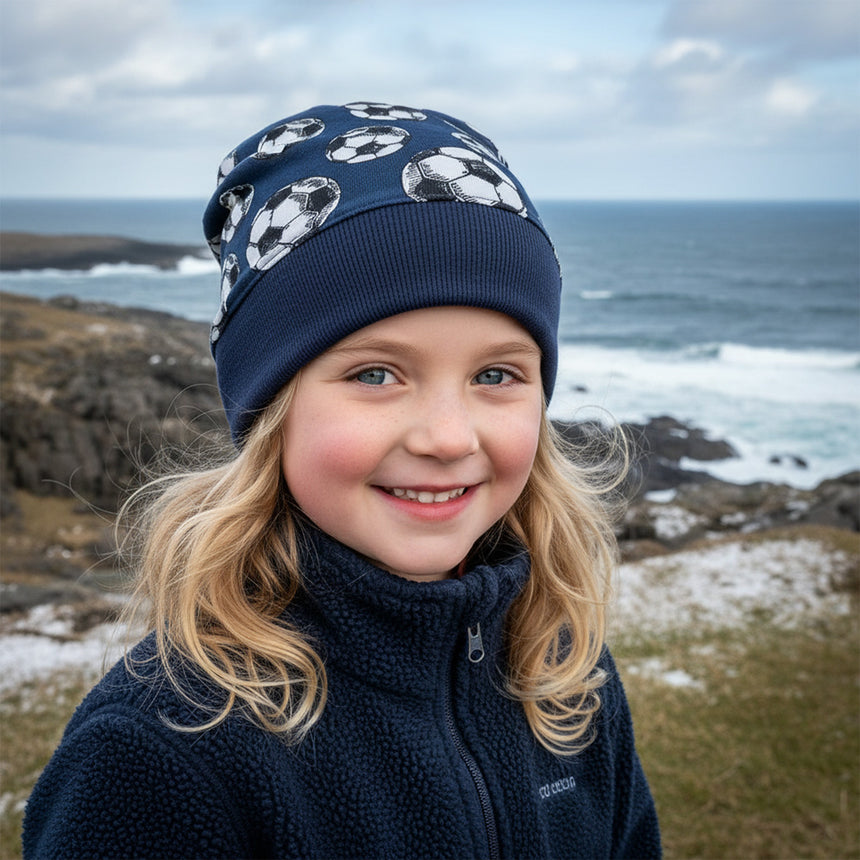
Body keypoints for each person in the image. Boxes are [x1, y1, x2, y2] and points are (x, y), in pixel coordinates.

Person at [23, 101, 661, 859]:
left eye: (496, 375)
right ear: (271, 411)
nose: (448, 437)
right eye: (376, 374)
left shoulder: (563, 669)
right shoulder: (158, 751)